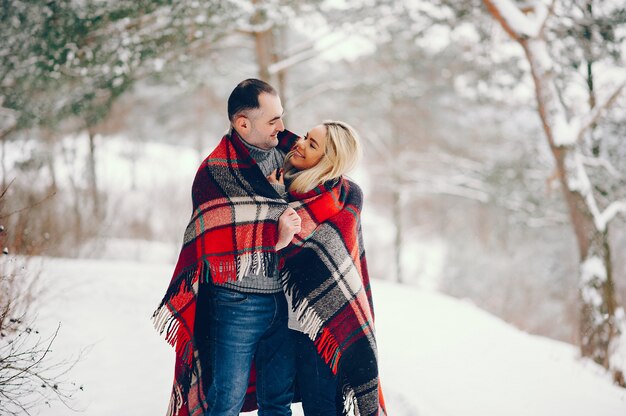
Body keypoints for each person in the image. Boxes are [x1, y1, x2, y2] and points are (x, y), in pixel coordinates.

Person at [153, 78, 302, 416]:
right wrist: (273, 240)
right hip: (236, 304)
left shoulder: (292, 156)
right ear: (243, 123)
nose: (282, 125)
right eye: (272, 120)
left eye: (282, 115)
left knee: (278, 402)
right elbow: (214, 244)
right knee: (224, 403)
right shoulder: (215, 172)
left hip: (284, 302)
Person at [267, 121, 387, 416]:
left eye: (312, 145)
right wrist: (275, 195)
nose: (300, 144)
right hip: (276, 320)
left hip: (322, 327)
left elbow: (342, 263)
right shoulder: (281, 180)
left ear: (329, 161)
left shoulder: (347, 197)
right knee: (272, 404)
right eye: (306, 136)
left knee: (321, 408)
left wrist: (279, 200)